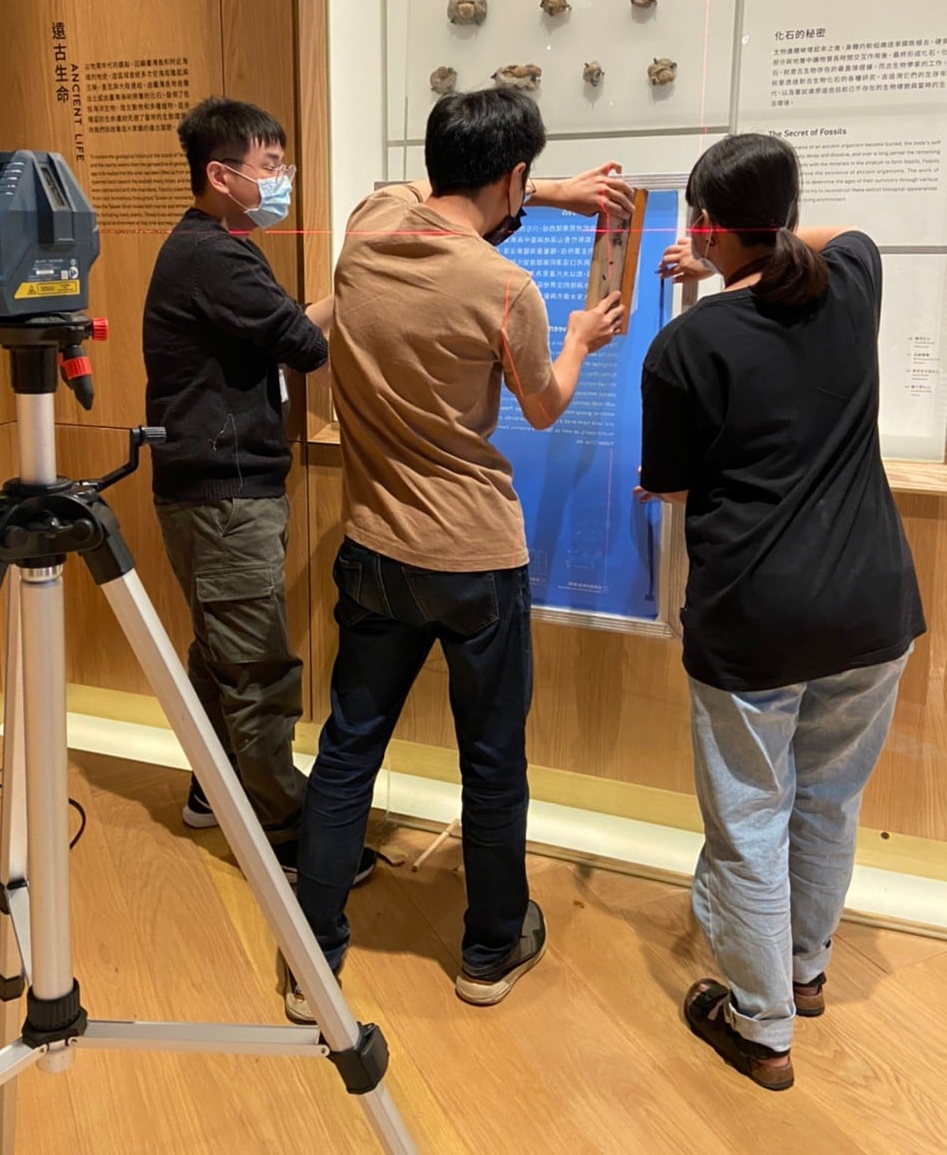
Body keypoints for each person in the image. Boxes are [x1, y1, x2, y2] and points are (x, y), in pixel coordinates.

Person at [286, 86, 629, 1022]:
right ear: (511, 176)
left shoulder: (366, 231)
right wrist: (581, 339)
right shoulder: (504, 287)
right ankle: (488, 949)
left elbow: (418, 189)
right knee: (491, 759)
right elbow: (545, 406)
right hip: (475, 556)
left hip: (374, 547)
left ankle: (312, 958)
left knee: (348, 749)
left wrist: (543, 190)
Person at [636, 132, 925, 1091]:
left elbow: (670, 484)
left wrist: (714, 270)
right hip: (871, 606)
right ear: (788, 217)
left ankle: (761, 1027)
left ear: (706, 227)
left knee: (750, 819)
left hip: (756, 617)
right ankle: (803, 972)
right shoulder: (850, 285)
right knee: (829, 801)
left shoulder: (687, 343)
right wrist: (743, 247)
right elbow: (844, 236)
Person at [142, 95, 374, 886]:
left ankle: (212, 788)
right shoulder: (215, 255)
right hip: (224, 494)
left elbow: (284, 326)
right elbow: (304, 343)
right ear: (222, 174)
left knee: (221, 653)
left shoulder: (211, 248)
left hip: (211, 488)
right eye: (270, 167)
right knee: (256, 669)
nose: (282, 181)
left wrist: (350, 291)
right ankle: (285, 827)